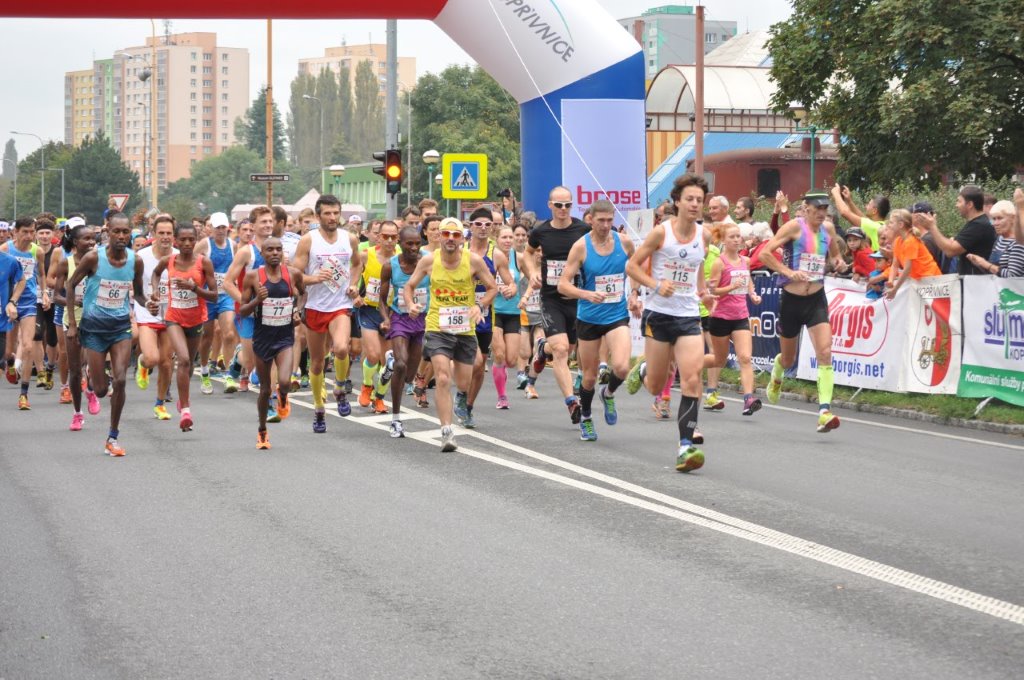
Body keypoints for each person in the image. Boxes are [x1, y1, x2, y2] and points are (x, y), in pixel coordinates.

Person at [625, 174, 717, 472]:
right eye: (689, 199)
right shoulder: (660, 234)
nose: (695, 204)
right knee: (655, 384)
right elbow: (632, 266)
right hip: (659, 315)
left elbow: (697, 266)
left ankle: (685, 446)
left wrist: (703, 292)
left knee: (692, 378)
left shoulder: (704, 235)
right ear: (677, 202)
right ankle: (643, 369)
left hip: (688, 316)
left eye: (699, 200)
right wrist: (655, 284)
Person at [757, 190, 848, 433]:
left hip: (816, 299)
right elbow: (764, 254)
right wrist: (788, 272)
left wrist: (839, 263)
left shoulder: (828, 229)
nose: (822, 213)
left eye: (825, 209)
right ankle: (777, 373)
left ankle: (824, 412)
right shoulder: (793, 227)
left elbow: (836, 257)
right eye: (817, 209)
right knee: (788, 360)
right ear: (806, 208)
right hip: (791, 301)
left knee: (825, 352)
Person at [403, 217, 497, 452]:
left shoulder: (473, 261)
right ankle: (446, 431)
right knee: (443, 378)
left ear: (462, 238)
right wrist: (411, 304)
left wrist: (480, 305)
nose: (451, 239)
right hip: (437, 326)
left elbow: (492, 287)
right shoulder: (429, 260)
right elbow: (409, 286)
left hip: (464, 328)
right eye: (446, 234)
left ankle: (461, 396)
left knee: (463, 382)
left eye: (456, 235)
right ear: (439, 236)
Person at [557, 200, 639, 441]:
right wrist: (585, 294)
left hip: (616, 315)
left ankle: (609, 393)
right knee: (590, 377)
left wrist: (634, 293)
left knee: (622, 367)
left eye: (609, 220)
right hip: (589, 318)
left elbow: (635, 269)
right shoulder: (580, 247)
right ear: (590, 220)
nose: (605, 225)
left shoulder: (624, 242)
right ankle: (586, 417)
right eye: (600, 220)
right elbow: (562, 284)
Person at [65, 214, 146, 456]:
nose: (121, 236)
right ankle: (93, 376)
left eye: (125, 232)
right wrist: (72, 324)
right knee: (101, 390)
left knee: (120, 380)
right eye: (116, 231)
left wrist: (149, 303)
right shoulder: (93, 258)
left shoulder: (135, 261)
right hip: (93, 329)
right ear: (107, 232)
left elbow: (138, 294)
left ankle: (113, 436)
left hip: (120, 328)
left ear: (130, 233)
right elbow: (70, 285)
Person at [290, 194, 363, 433]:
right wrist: (314, 278)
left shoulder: (349, 239)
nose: (332, 217)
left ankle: (340, 388)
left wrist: (354, 284)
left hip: (340, 305)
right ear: (318, 215)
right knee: (317, 362)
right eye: (327, 213)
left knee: (341, 348)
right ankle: (319, 409)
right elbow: (295, 274)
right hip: (315, 306)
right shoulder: (308, 241)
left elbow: (357, 264)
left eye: (335, 213)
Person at [521, 186, 591, 423]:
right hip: (551, 299)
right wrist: (532, 273)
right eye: (559, 205)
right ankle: (572, 402)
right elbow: (527, 253)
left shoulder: (583, 230)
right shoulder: (541, 232)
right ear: (550, 205)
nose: (563, 209)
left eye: (568, 205)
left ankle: (543, 349)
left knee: (567, 349)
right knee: (561, 350)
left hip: (576, 299)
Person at [148, 222, 218, 432]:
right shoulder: (168, 260)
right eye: (183, 239)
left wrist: (194, 288)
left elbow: (214, 296)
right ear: (176, 241)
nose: (187, 243)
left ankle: (182, 398)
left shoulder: (204, 263)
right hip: (174, 317)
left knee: (189, 365)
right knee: (184, 359)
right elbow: (156, 274)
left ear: (196, 241)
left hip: (196, 319)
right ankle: (186, 411)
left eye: (191, 239)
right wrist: (155, 290)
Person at [239, 236, 305, 449]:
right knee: (265, 390)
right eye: (270, 250)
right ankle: (262, 431)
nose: (275, 253)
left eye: (278, 249)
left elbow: (303, 294)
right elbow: (242, 310)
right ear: (262, 254)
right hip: (262, 339)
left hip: (284, 338)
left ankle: (283, 396)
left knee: (284, 382)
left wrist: (298, 311)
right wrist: (257, 300)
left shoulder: (292, 274)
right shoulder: (252, 277)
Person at [459, 208, 514, 428]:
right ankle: (461, 394)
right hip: (461, 313)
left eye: (487, 225)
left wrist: (510, 289)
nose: (483, 228)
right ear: (470, 226)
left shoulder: (496, 254)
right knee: (476, 362)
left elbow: (510, 282)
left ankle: (468, 406)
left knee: (479, 365)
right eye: (478, 224)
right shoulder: (461, 250)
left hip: (484, 316)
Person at [377, 226, 430, 438]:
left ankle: (390, 362)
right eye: (409, 243)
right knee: (401, 364)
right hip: (400, 318)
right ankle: (396, 419)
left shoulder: (428, 261)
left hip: (423, 320)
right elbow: (382, 300)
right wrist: (385, 319)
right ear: (400, 243)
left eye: (417, 243)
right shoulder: (390, 266)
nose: (414, 248)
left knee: (408, 375)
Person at [705, 223, 763, 415]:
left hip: (740, 316)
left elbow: (748, 281)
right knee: (719, 359)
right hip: (720, 317)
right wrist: (731, 287)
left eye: (738, 236)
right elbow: (713, 291)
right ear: (723, 240)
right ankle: (691, 367)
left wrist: (753, 294)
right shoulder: (719, 263)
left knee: (745, 358)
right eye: (732, 237)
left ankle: (748, 399)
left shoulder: (746, 261)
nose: (737, 240)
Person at [222, 206, 275, 394]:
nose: (268, 225)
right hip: (248, 313)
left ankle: (272, 395)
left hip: (272, 311)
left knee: (273, 354)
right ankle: (238, 357)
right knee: (250, 361)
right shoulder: (246, 251)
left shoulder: (277, 248)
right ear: (253, 225)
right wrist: (247, 304)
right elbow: (227, 283)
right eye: (263, 221)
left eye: (270, 221)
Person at [51, 224, 98, 429]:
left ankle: (91, 390)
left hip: (95, 320)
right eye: (86, 238)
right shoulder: (65, 263)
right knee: (75, 370)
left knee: (92, 365)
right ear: (75, 242)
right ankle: (77, 413)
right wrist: (74, 302)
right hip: (72, 321)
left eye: (93, 238)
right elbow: (57, 296)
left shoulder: (99, 262)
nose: (91, 242)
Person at [133, 215, 177, 418]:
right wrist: (142, 303)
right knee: (152, 358)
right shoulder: (141, 256)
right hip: (146, 312)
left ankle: (160, 404)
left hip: (171, 314)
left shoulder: (179, 256)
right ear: (153, 234)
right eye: (161, 233)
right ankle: (143, 364)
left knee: (166, 362)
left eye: (169, 233)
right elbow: (133, 285)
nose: (165, 237)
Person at [355, 220, 400, 414]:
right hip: (369, 309)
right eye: (385, 236)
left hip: (391, 312)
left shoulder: (400, 259)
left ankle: (379, 398)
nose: (389, 240)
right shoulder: (366, 255)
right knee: (372, 355)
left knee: (390, 362)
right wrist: (355, 295)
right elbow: (352, 275)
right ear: (378, 237)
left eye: (393, 237)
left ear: (397, 238)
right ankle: (367, 385)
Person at [0, 217, 43, 410]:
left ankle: (24, 394)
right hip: (7, 303)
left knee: (27, 346)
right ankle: (11, 363)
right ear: (15, 232)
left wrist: (44, 293)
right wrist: (9, 301)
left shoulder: (37, 251)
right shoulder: (5, 250)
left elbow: (41, 274)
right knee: (8, 351)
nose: (29, 235)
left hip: (28, 302)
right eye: (25, 231)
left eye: (32, 231)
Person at [194, 212, 238, 395]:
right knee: (207, 336)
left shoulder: (233, 245)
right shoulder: (205, 244)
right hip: (207, 296)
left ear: (227, 228)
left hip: (226, 295)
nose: (220, 231)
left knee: (229, 334)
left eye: (223, 227)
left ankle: (228, 374)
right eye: (217, 227)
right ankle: (205, 371)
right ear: (211, 228)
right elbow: (191, 264)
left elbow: (238, 268)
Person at [917, 184, 996, 276]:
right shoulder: (975, 223)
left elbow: (950, 251)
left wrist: (932, 227)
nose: (956, 205)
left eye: (959, 201)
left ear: (970, 204)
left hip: (977, 281)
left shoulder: (978, 225)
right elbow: (952, 247)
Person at [491, 225, 523, 409]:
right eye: (504, 237)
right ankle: (502, 396)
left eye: (511, 237)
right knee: (499, 355)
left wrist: (519, 291)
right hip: (495, 311)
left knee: (511, 360)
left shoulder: (518, 258)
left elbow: (532, 274)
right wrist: (496, 288)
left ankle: (501, 370)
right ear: (496, 239)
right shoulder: (491, 257)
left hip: (513, 312)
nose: (508, 241)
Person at [885, 209, 942, 299]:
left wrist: (895, 289)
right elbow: (895, 265)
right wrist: (890, 281)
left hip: (931, 279)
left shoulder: (910, 241)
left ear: (900, 225)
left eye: (891, 222)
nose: (889, 225)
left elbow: (907, 269)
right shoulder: (898, 241)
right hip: (919, 281)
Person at [966, 198, 1024, 278]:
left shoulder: (1019, 243)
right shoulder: (1000, 239)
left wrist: (985, 264)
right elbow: (993, 272)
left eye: (1000, 218)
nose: (995, 223)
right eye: (994, 219)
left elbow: (1013, 276)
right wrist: (979, 264)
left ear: (1013, 218)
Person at [830, 185, 888, 250]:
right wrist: (849, 201)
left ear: (874, 211)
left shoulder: (872, 227)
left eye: (869, 204)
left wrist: (836, 194)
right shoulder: (883, 225)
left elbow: (844, 212)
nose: (866, 206)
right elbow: (862, 218)